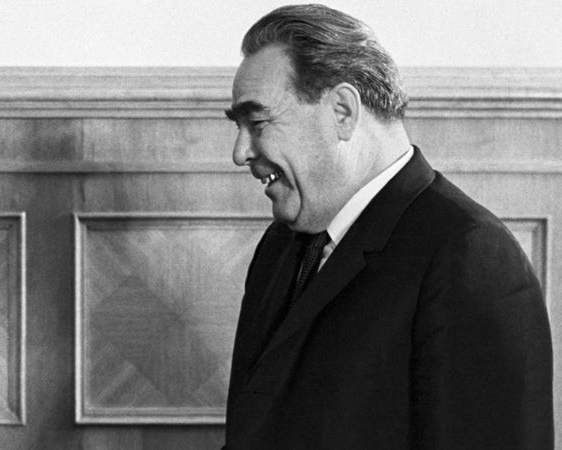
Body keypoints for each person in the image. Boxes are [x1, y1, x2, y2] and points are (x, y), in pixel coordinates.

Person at [223, 4, 553, 449]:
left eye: (258, 122)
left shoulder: (471, 256)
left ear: (342, 111)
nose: (240, 152)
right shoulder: (279, 246)